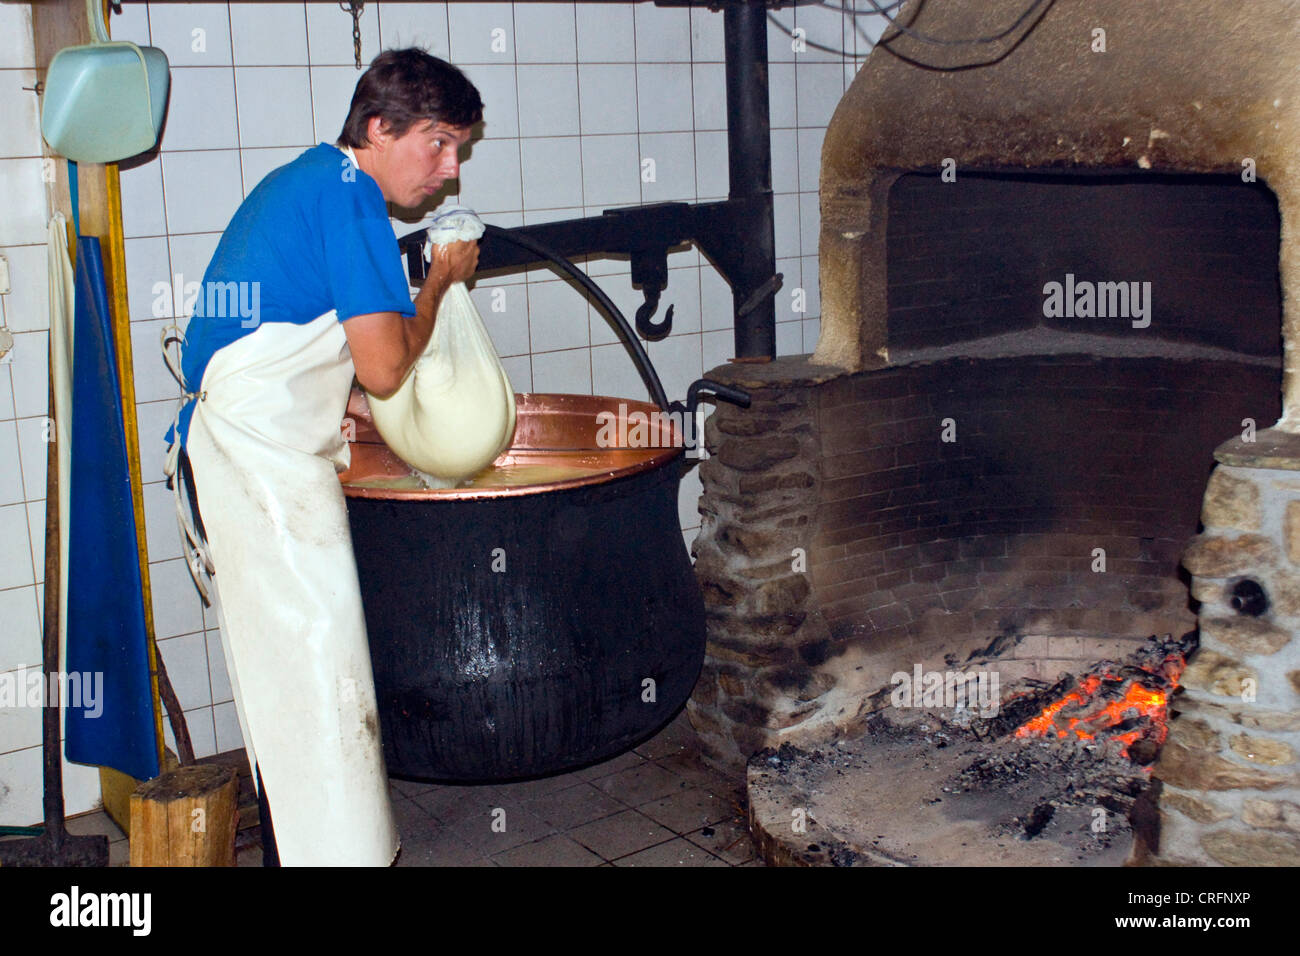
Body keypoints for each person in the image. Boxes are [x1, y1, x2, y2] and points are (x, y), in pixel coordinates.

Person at [162, 48, 482, 866]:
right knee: (315, 695)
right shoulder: (353, 204)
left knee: (299, 694)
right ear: (379, 128)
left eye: (459, 151)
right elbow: (381, 366)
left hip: (250, 456)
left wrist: (357, 418)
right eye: (439, 144)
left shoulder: (315, 183)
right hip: (254, 471)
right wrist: (440, 282)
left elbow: (294, 350)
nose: (448, 173)